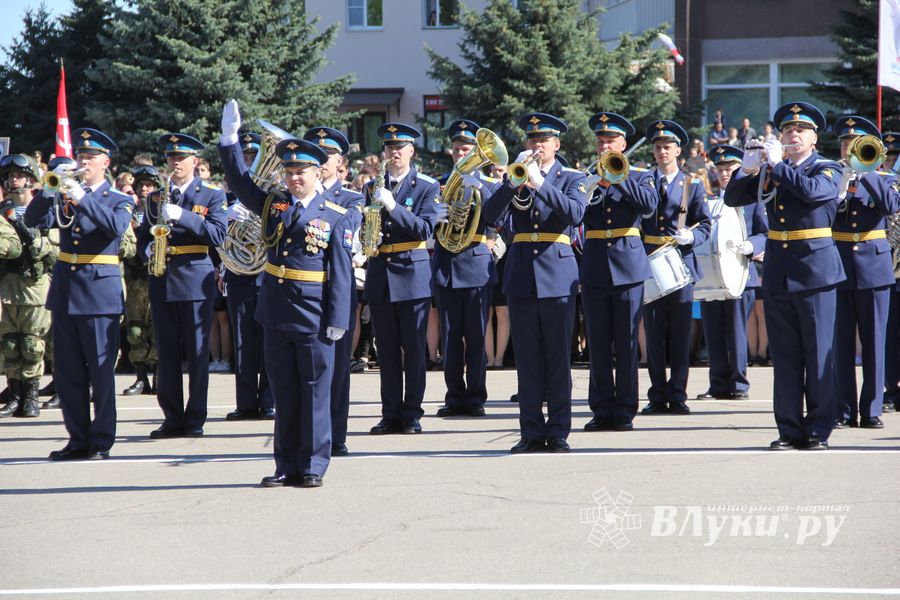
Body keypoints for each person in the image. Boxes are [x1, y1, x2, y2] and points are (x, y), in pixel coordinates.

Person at [219, 99, 353, 488]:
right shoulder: (273, 205)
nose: (294, 178)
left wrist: (338, 320)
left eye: (302, 171)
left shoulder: (334, 213)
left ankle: (312, 466)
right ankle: (285, 464)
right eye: (290, 171)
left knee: (314, 392)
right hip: (276, 310)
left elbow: (341, 274)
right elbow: (241, 183)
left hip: (314, 314)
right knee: (284, 391)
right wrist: (229, 140)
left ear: (317, 173)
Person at [724, 101, 844, 450]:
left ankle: (819, 429)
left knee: (818, 352)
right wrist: (746, 171)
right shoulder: (770, 170)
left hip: (815, 273)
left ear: (813, 138)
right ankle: (789, 429)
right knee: (787, 356)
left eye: (800, 130)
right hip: (778, 270)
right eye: (787, 130)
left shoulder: (827, 168)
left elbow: (812, 194)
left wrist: (777, 163)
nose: (793, 134)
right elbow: (733, 199)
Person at [25, 128, 134, 460]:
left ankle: (101, 440)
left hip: (99, 294)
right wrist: (49, 186)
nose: (83, 162)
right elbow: (33, 219)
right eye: (81, 156)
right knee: (68, 373)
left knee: (100, 373)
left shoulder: (120, 199)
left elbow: (115, 229)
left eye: (90, 157)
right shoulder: (63, 195)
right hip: (66, 291)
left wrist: (83, 198)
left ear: (106, 163)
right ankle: (77, 438)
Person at [481, 112, 587, 453]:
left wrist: (541, 183)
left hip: (557, 275)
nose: (536, 145)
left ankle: (557, 431)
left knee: (557, 358)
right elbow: (491, 217)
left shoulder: (572, 178)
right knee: (526, 359)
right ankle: (529, 431)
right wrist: (511, 184)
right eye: (531, 140)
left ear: (557, 145)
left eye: (543, 140)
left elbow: (574, 213)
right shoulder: (517, 175)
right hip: (522, 274)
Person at [137, 133, 227, 439]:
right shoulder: (155, 197)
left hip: (194, 279)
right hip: (162, 278)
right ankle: (172, 418)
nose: (175, 163)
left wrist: (184, 216)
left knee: (198, 352)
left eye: (181, 158)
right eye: (171, 158)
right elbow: (141, 236)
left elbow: (217, 235)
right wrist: (146, 249)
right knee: (168, 352)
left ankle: (195, 418)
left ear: (195, 162)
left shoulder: (211, 196)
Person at [579, 112, 657, 432]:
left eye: (610, 141)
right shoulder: (585, 175)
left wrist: (619, 178)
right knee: (598, 343)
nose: (604, 146)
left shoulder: (638, 174)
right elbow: (575, 214)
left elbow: (649, 207)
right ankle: (601, 408)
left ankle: (624, 409)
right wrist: (590, 186)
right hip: (596, 264)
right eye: (600, 141)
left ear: (623, 144)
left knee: (625, 343)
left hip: (627, 265)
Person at [364, 122, 442, 435]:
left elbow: (425, 229)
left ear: (411, 151)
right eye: (389, 147)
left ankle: (412, 413)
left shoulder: (427, 186)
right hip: (381, 272)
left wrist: (393, 206)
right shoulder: (372, 185)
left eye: (400, 147)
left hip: (411, 273)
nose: (394, 152)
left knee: (413, 349)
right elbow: (366, 225)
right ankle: (390, 412)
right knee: (386, 350)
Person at [831, 116, 900, 429]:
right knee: (841, 343)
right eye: (846, 143)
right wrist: (842, 183)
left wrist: (866, 172)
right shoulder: (830, 177)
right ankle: (844, 409)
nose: (849, 148)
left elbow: (890, 206)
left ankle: (871, 409)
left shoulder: (884, 179)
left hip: (874, 267)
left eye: (856, 143)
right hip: (839, 266)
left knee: (875, 342)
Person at [640, 120, 711, 416]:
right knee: (654, 332)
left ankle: (678, 393)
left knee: (680, 334)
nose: (661, 152)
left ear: (678, 151)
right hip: (649, 260)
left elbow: (705, 224)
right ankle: (657, 394)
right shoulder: (643, 181)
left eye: (667, 147)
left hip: (680, 262)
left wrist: (691, 236)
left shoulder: (691, 184)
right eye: (657, 147)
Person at [432, 119, 501, 417]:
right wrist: (434, 217)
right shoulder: (439, 184)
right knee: (450, 337)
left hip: (474, 264)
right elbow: (427, 228)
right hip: (447, 266)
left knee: (475, 336)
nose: (462, 153)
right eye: (458, 148)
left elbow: (497, 217)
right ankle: (453, 396)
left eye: (467, 148)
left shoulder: (487, 186)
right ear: (452, 152)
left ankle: (475, 397)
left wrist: (481, 189)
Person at [302, 125, 364, 455]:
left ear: (340, 162)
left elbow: (348, 231)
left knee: (337, 368)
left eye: (328, 156)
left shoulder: (352, 198)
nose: (322, 161)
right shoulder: (294, 196)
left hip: (336, 289)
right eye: (317, 154)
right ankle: (308, 434)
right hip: (301, 293)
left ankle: (335, 436)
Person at [697, 145, 768, 400]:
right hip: (712, 274)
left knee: (737, 330)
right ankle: (717, 383)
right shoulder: (709, 200)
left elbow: (764, 233)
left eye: (730, 168)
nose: (725, 173)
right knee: (713, 329)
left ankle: (738, 384)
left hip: (741, 272)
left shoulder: (753, 199)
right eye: (721, 169)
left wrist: (752, 246)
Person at [221, 132, 275, 422]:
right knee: (242, 340)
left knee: (268, 339)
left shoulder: (272, 194)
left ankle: (268, 401)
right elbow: (222, 240)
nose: (251, 160)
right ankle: (245, 403)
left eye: (256, 156)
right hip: (239, 274)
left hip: (266, 273)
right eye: (247, 156)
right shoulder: (229, 195)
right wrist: (229, 217)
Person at [0, 154, 52, 419]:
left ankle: (30, 396)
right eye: (9, 176)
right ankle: (14, 395)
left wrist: (35, 241)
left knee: (32, 346)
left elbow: (54, 249)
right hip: (9, 286)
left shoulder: (44, 210)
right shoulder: (2, 211)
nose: (13, 181)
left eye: (18, 176)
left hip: (35, 286)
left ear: (31, 180)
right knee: (10, 345)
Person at [121, 164, 160, 396]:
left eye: (149, 185)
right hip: (134, 278)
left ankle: (157, 375)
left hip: (155, 276)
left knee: (156, 329)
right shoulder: (127, 209)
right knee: (135, 331)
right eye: (141, 185)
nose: (145, 189)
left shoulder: (161, 211)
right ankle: (140, 377)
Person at [882, 131, 900, 413]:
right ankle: (891, 389)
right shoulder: (883, 184)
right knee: (888, 335)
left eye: (896, 157)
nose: (892, 162)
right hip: (889, 270)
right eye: (889, 157)